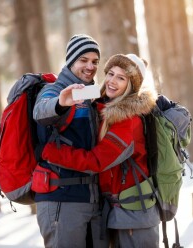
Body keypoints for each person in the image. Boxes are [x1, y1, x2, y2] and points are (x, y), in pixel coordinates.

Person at [41, 53, 161, 247]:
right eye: (110, 73)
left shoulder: (128, 121)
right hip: (118, 213)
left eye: (121, 78)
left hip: (135, 217)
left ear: (131, 86)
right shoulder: (105, 106)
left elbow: (95, 162)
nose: (112, 81)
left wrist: (51, 152)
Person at [32, 34, 109, 248]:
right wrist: (60, 103)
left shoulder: (91, 93)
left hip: (92, 200)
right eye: (83, 60)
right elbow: (41, 112)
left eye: (94, 61)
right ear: (70, 61)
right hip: (61, 200)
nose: (90, 66)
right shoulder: (53, 90)